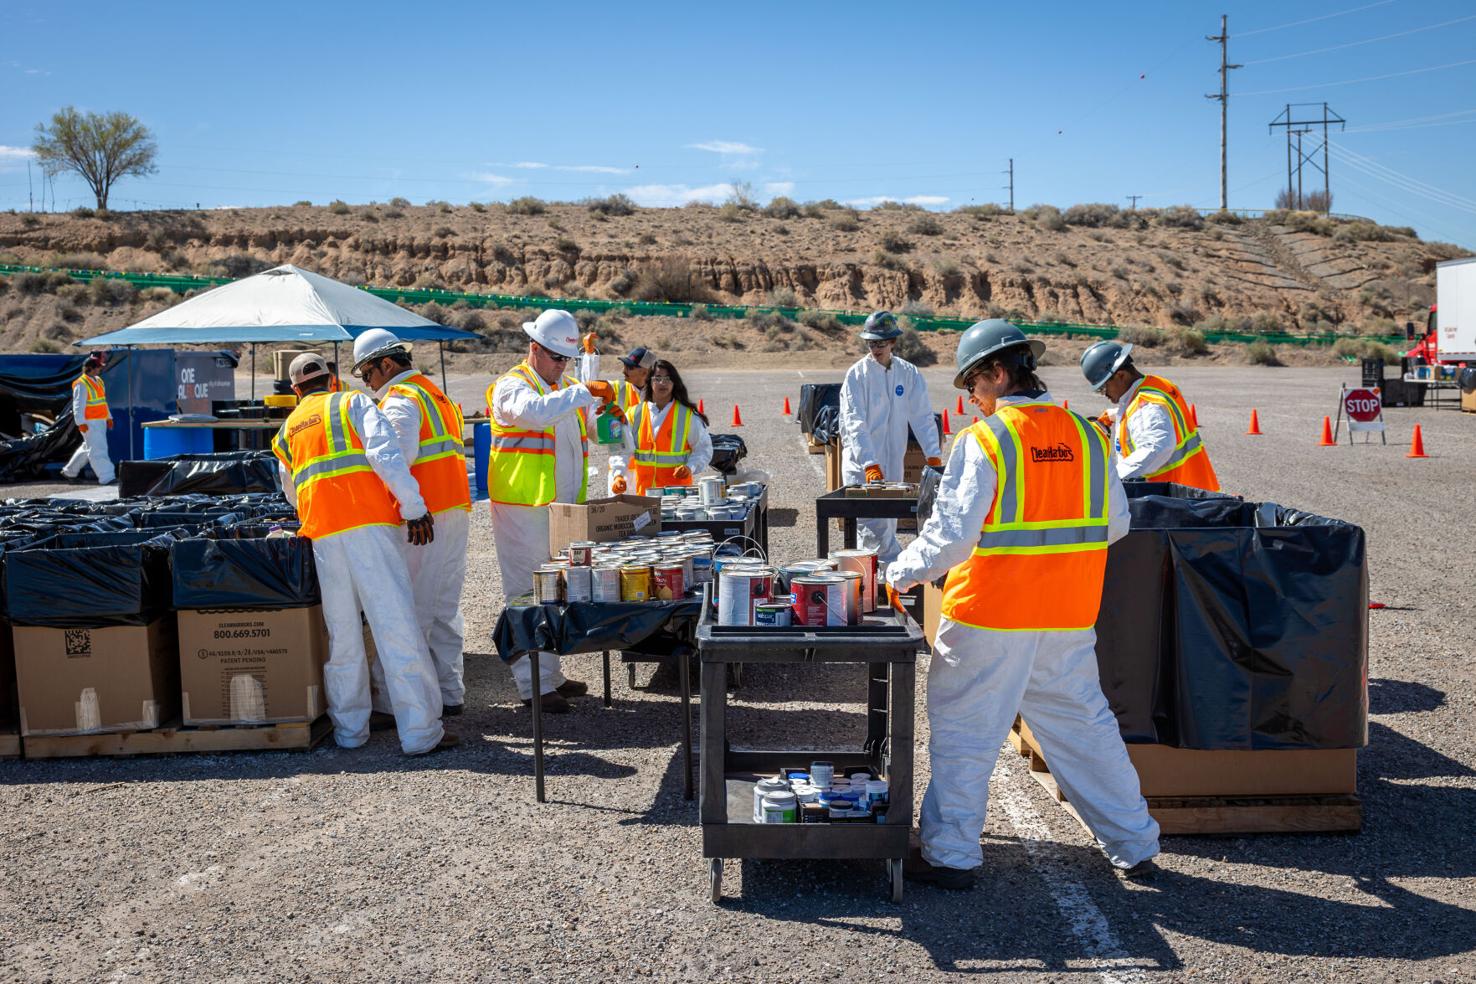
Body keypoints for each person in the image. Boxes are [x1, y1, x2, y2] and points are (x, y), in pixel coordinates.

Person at [885, 320, 1159, 890]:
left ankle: (953, 856)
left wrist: (899, 571)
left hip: (989, 616)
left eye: (973, 386)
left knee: (965, 735)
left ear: (998, 374)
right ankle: (1134, 843)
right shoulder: (1089, 436)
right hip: (1066, 615)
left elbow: (953, 540)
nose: (970, 400)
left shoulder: (984, 442)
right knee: (1085, 730)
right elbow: (1115, 524)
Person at [271, 352, 454, 756]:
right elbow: (384, 454)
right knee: (396, 625)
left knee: (344, 636)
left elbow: (292, 491)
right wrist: (413, 507)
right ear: (332, 379)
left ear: (295, 390)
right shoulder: (351, 402)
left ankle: (350, 731)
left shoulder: (286, 432)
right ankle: (420, 733)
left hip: (323, 536)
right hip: (369, 527)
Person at [488, 309, 619, 713]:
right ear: (534, 348)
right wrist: (584, 392)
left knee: (555, 590)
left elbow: (596, 432)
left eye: (566, 360)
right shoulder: (511, 387)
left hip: (559, 508)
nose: (562, 365)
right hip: (522, 508)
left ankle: (551, 675)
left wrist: (611, 418)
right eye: (556, 357)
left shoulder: (566, 386)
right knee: (526, 594)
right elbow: (536, 412)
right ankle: (532, 687)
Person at [353, 329, 472, 717]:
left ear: (386, 365)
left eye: (367, 375)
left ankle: (397, 703)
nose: (368, 385)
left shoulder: (401, 401)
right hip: (452, 511)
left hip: (423, 520)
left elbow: (395, 461)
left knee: (410, 610)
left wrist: (407, 509)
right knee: (443, 608)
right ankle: (448, 692)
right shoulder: (435, 395)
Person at [839, 311, 943, 564]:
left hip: (893, 459)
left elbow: (922, 415)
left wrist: (933, 454)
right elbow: (854, 423)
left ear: (893, 342)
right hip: (862, 465)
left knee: (888, 522)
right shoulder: (857, 375)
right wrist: (869, 463)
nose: (875, 348)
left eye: (881, 343)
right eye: (871, 343)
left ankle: (885, 577)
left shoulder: (908, 373)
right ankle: (880, 576)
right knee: (871, 526)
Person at [1080, 340, 1219, 491]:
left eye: (1103, 387)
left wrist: (1110, 478)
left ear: (1121, 375)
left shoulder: (1146, 405)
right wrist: (1114, 415)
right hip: (1195, 493)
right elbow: (1153, 417)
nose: (1104, 394)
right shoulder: (1157, 385)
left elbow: (1156, 447)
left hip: (1174, 501)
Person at [614, 359, 713, 495]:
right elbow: (621, 450)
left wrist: (690, 467)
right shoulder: (633, 414)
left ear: (674, 383)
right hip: (644, 495)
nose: (663, 383)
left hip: (677, 496)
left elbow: (703, 449)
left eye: (668, 378)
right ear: (649, 381)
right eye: (658, 378)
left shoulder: (687, 416)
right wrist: (618, 474)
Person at [585, 341, 654, 493]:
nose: (624, 370)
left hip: (649, 474)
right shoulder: (617, 389)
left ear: (645, 372)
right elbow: (590, 386)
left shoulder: (659, 396)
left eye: (629, 367)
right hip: (620, 472)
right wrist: (589, 356)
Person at [61, 351, 114, 485]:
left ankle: (69, 472)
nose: (100, 369)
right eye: (98, 367)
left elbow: (102, 401)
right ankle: (107, 477)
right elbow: (78, 406)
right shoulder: (81, 384)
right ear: (90, 368)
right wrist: (80, 423)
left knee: (88, 447)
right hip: (90, 422)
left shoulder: (99, 381)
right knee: (98, 449)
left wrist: (108, 417)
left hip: (99, 421)